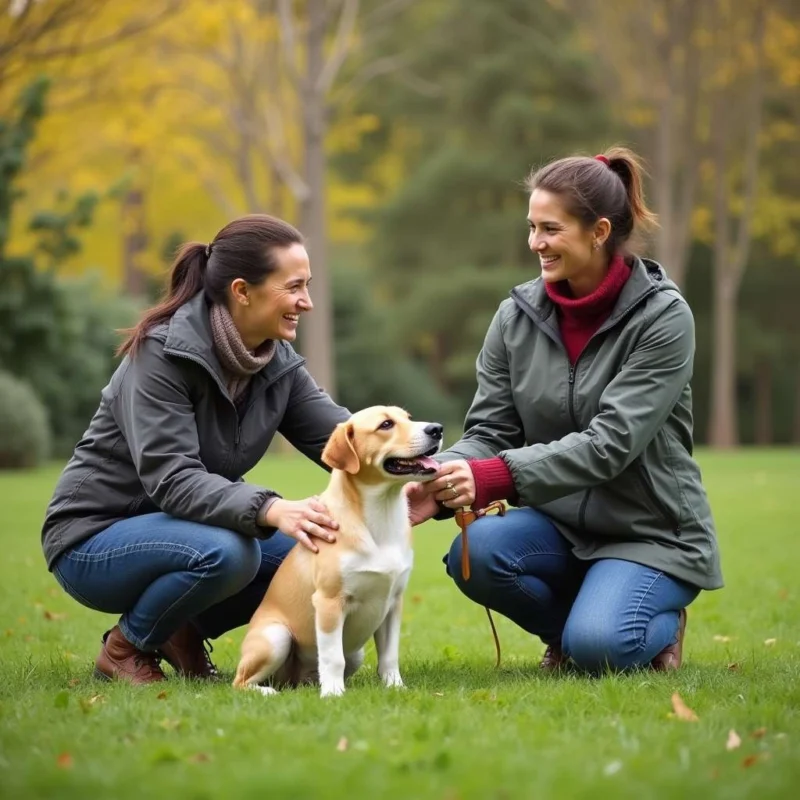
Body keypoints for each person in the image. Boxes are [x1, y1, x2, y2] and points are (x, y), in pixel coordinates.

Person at [409, 147, 722, 673]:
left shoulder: (664, 318)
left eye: (550, 229)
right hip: (558, 524)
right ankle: (579, 628)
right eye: (531, 227)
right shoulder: (515, 316)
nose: (535, 243)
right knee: (476, 556)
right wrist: (440, 479)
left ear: (599, 232)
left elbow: (611, 444)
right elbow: (492, 428)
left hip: (650, 532)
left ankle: (646, 628)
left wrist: (492, 477)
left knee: (601, 648)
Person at [41, 214, 357, 685]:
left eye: (307, 286)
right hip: (93, 539)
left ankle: (178, 629)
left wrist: (429, 472)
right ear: (242, 290)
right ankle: (124, 649)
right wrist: (269, 507)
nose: (306, 303)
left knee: (321, 547)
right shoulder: (162, 354)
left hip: (188, 530)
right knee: (232, 552)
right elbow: (173, 478)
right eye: (293, 287)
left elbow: (347, 438)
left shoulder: (276, 362)